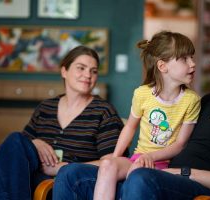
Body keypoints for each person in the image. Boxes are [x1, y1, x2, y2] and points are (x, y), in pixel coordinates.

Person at [52, 26, 210, 200]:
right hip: (155, 174)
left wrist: (181, 173)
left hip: (189, 187)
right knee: (70, 174)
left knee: (141, 177)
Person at [53, 30, 201, 200]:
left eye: (192, 57)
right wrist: (115, 158)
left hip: (165, 164)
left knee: (136, 173)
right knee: (108, 165)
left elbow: (180, 145)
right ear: (162, 66)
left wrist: (149, 157)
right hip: (138, 157)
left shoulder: (191, 100)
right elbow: (129, 127)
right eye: (185, 59)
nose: (193, 64)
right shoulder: (142, 94)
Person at [0, 45, 125, 200]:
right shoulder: (46, 107)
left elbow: (111, 163)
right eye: (81, 68)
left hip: (67, 182)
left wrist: (60, 168)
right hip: (32, 172)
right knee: (14, 140)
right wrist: (35, 142)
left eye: (93, 71)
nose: (87, 75)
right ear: (64, 71)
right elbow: (19, 149)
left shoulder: (103, 111)